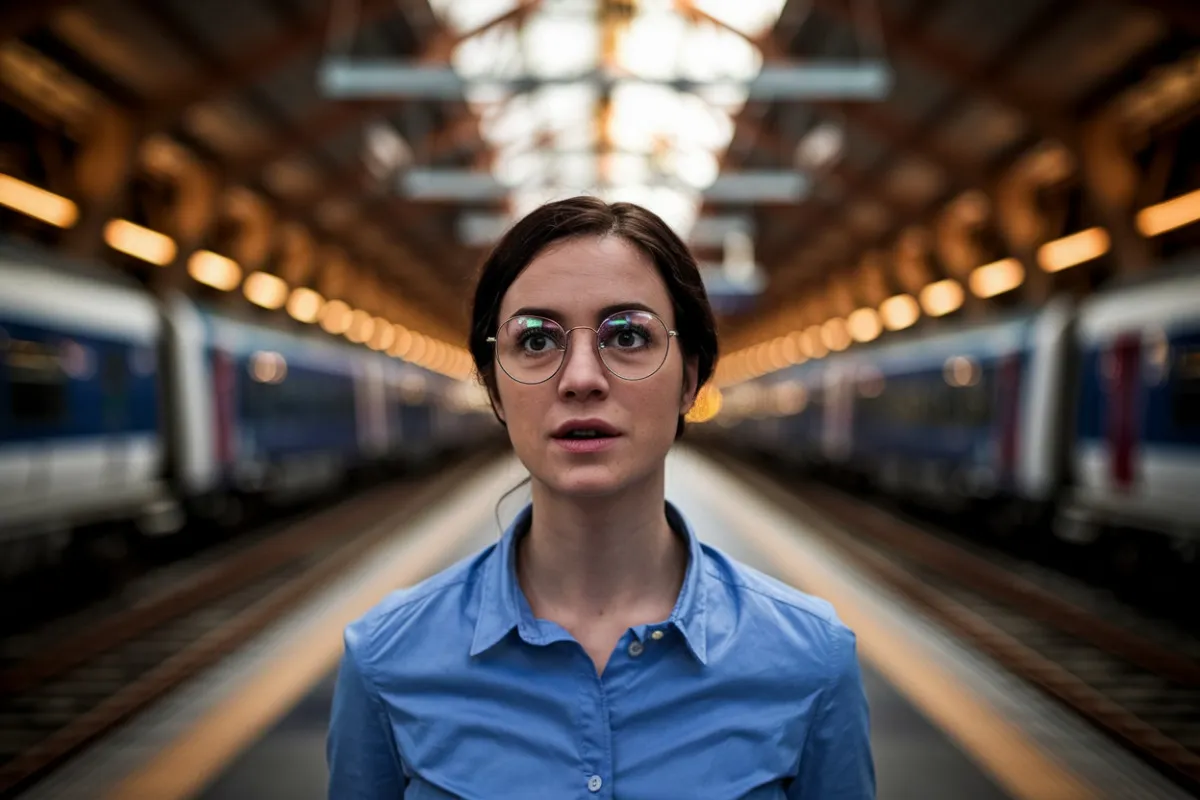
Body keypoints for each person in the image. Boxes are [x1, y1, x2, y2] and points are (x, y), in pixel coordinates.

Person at [326, 196, 875, 799]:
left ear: (689, 379)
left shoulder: (813, 662)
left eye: (628, 335)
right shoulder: (384, 661)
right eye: (536, 340)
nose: (581, 379)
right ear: (495, 389)